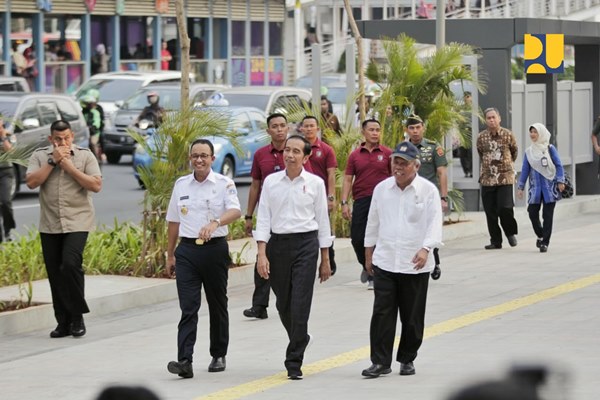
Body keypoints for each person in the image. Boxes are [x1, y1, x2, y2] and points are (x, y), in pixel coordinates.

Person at [254, 135, 333, 380]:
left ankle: (294, 360)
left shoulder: (316, 183)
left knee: (300, 303)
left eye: (296, 151)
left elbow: (322, 220)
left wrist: (325, 258)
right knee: (283, 303)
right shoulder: (270, 182)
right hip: (278, 245)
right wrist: (261, 253)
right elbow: (264, 217)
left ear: (306, 157)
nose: (290, 154)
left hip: (306, 245)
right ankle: (301, 336)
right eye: (287, 150)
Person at [361, 141, 442, 378]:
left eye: (403, 163)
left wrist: (426, 249)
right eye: (395, 162)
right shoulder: (381, 189)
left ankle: (407, 358)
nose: (398, 167)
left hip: (414, 263)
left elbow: (434, 223)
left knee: (412, 315)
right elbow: (373, 222)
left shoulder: (428, 191)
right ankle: (380, 362)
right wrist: (368, 252)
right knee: (382, 314)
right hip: (385, 260)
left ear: (415, 166)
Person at [165, 138, 241, 379]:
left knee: (217, 303)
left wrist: (216, 222)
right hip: (187, 252)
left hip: (214, 249)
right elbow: (173, 221)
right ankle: (184, 360)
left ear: (212, 159)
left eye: (204, 156)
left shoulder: (223, 183)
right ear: (190, 158)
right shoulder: (181, 185)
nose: (199, 160)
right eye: (195, 155)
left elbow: (235, 211)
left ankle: (218, 353)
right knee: (188, 307)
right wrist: (170, 254)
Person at [25, 120, 102, 338]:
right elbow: (31, 182)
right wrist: (52, 162)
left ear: (72, 137)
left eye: (66, 138)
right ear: (51, 139)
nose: (62, 142)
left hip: (78, 221)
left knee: (70, 263)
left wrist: (68, 166)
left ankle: (77, 316)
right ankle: (63, 322)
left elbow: (96, 185)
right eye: (58, 139)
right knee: (55, 274)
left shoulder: (85, 155)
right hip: (50, 224)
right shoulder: (40, 156)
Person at [242, 113, 288, 320]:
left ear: (288, 128)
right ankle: (259, 305)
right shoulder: (261, 155)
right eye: (275, 126)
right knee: (263, 256)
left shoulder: (296, 151)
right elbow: (255, 185)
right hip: (267, 215)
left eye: (282, 126)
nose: (279, 129)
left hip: (291, 216)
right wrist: (249, 215)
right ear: (268, 131)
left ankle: (287, 301)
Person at [340, 119, 391, 290]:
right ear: (364, 132)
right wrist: (344, 202)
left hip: (383, 202)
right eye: (371, 129)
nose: (375, 133)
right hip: (362, 200)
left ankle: (374, 274)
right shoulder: (355, 155)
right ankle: (366, 264)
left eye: (378, 129)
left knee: (379, 238)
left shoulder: (387, 153)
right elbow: (348, 179)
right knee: (357, 238)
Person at [405, 114, 448, 280]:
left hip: (429, 197)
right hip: (409, 196)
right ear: (407, 129)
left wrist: (443, 198)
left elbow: (442, 172)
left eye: (418, 127)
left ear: (423, 127)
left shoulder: (433, 147)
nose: (415, 131)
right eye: (411, 128)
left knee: (431, 228)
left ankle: (434, 261)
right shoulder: (403, 148)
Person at [517, 123, 565, 253]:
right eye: (531, 132)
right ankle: (540, 234)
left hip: (550, 188)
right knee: (532, 213)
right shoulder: (529, 152)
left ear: (541, 133)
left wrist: (561, 181)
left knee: (547, 216)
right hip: (535, 189)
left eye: (535, 132)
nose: (532, 134)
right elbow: (525, 170)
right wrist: (520, 187)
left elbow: (559, 165)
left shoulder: (550, 149)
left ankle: (545, 242)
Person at [477, 107, 519, 250]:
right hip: (487, 179)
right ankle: (495, 240)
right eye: (488, 118)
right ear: (485, 120)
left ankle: (510, 232)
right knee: (490, 211)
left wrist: (506, 166)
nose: (491, 120)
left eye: (494, 117)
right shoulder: (481, 137)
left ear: (499, 118)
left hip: (505, 178)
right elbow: (480, 153)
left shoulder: (508, 135)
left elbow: (514, 152)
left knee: (505, 208)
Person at [301, 115, 338, 274]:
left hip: (320, 196)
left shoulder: (326, 150)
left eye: (312, 126)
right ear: (301, 129)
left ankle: (329, 258)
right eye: (306, 126)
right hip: (302, 196)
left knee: (324, 228)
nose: (309, 129)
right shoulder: (297, 149)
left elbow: (331, 175)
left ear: (318, 129)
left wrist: (330, 197)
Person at [0, 118, 16, 243]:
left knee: (6, 202)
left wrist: (3, 136)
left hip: (5, 171)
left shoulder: (9, 135)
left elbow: (11, 153)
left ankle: (8, 230)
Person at [81, 95, 103, 162]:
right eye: (88, 104)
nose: (90, 105)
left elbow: (97, 122)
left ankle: (96, 158)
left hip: (93, 132)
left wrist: (93, 126)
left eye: (91, 104)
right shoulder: (82, 112)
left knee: (93, 143)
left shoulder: (95, 112)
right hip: (84, 131)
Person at [458, 92, 474, 177]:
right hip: (463, 132)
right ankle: (466, 171)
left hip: (471, 132)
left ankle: (471, 170)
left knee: (470, 152)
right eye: (465, 97)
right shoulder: (461, 109)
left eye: (468, 97)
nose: (466, 98)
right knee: (462, 153)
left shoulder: (474, 108)